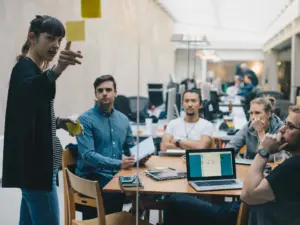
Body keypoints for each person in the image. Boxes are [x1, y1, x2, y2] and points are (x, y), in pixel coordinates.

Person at [2, 15, 83, 225]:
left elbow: (29, 114)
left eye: (59, 40)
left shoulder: (32, 71)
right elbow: (34, 89)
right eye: (50, 38)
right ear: (32, 38)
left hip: (36, 170)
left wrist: (59, 122)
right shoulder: (24, 70)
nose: (56, 45)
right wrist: (58, 69)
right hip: (36, 171)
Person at [163, 105, 300, 225]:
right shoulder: (292, 164)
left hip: (241, 216)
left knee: (174, 201)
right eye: (285, 124)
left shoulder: (293, 165)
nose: (282, 129)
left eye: (290, 127)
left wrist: (263, 151)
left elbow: (247, 195)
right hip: (250, 211)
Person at [76, 75, 149, 217]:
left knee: (145, 189)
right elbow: (88, 155)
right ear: (95, 94)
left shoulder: (123, 119)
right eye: (100, 90)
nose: (104, 93)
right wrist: (119, 164)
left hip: (114, 175)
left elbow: (130, 149)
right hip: (92, 177)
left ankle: (124, 218)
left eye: (108, 89)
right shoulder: (85, 120)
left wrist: (140, 157)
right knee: (116, 193)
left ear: (115, 92)